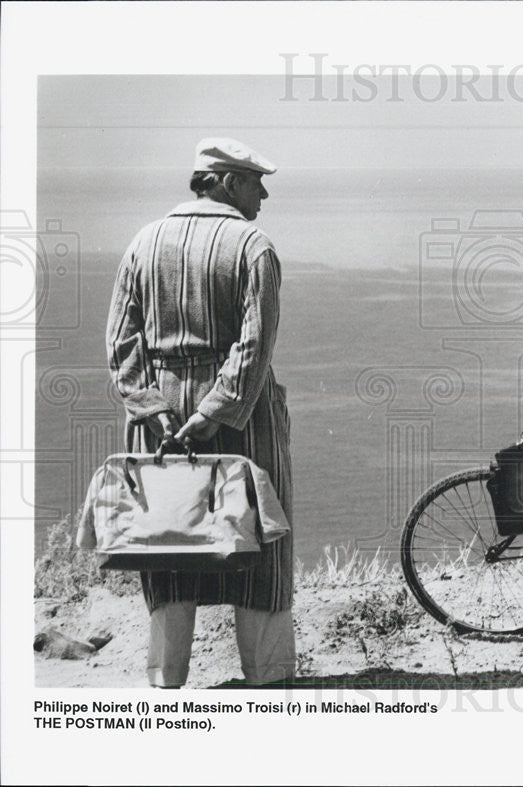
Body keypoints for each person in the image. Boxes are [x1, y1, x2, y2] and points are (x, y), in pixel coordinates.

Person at [106, 137, 295, 687]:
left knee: (167, 537)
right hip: (241, 415)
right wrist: (214, 410)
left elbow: (122, 342)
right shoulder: (253, 246)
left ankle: (167, 679)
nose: (262, 194)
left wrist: (154, 410)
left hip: (160, 410)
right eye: (256, 182)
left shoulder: (144, 242)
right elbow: (255, 345)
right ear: (229, 183)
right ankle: (271, 678)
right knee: (259, 536)